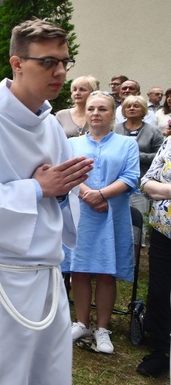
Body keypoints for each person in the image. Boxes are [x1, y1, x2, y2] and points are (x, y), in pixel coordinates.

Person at [0, 19, 93, 383]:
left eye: (64, 62)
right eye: (48, 62)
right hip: (2, 277)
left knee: (47, 375)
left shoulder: (51, 125)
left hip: (48, 276)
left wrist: (60, 191)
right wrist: (37, 189)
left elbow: (58, 200)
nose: (59, 72)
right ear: (17, 63)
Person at [69, 91, 139, 354]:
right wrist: (87, 193)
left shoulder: (126, 144)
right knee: (80, 270)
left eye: (102, 109)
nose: (96, 114)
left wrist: (101, 195)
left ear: (112, 114)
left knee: (106, 272)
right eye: (91, 109)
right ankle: (82, 322)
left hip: (112, 214)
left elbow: (131, 176)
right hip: (82, 216)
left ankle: (102, 327)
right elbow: (68, 172)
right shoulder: (73, 144)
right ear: (85, 113)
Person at [136, 135, 171, 377]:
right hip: (163, 232)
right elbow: (147, 183)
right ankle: (161, 351)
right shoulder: (170, 143)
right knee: (159, 292)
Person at [114, 95, 163, 214]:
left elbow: (160, 157)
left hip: (141, 184)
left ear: (143, 110)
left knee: (139, 220)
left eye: (136, 106)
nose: (131, 108)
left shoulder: (153, 131)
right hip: (116, 183)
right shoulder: (115, 129)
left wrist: (136, 156)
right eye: (128, 106)